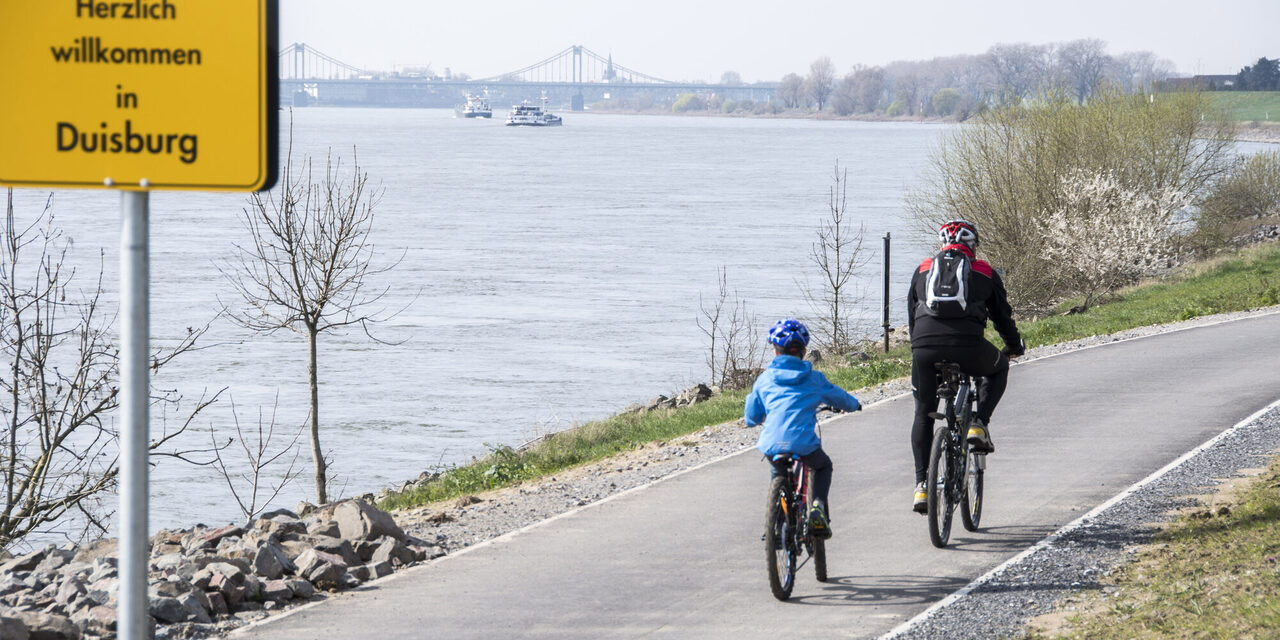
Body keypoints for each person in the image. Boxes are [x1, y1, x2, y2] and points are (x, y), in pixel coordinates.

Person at [907, 220, 1024, 514]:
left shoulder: (923, 268)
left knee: (923, 414)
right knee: (998, 369)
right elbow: (1002, 316)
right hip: (968, 347)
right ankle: (978, 424)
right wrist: (1013, 346)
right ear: (972, 245)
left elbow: (912, 313)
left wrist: (920, 347)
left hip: (924, 349)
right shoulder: (984, 271)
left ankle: (922, 486)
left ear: (942, 244)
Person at [745, 318, 862, 538]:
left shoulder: (764, 379)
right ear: (803, 351)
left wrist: (756, 419)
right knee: (822, 466)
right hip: (803, 443)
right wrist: (855, 404)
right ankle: (817, 506)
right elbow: (840, 398)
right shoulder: (814, 379)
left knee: (777, 469)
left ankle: (773, 524)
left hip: (771, 443)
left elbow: (751, 417)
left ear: (775, 352)